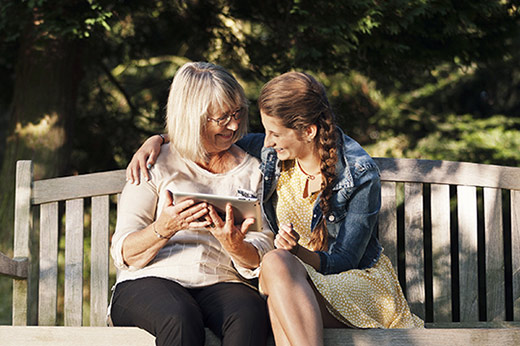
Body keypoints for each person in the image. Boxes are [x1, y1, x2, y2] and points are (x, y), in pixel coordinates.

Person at [128, 71, 424, 346]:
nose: (266, 140)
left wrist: (296, 253)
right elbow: (203, 132)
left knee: (276, 263)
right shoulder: (273, 154)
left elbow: (346, 260)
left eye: (274, 133)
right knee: (274, 266)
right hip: (289, 282)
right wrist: (157, 140)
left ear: (307, 131)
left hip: (352, 285)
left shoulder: (358, 173)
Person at [110, 61, 274, 346]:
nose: (234, 125)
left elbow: (262, 247)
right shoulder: (154, 163)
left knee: (250, 314)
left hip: (222, 281)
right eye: (222, 118)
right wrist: (164, 228)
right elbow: (124, 251)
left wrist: (235, 244)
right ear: (192, 117)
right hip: (150, 280)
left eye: (238, 113)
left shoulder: (253, 171)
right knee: (180, 316)